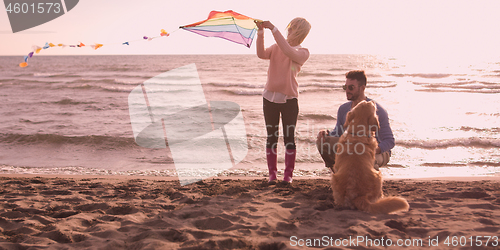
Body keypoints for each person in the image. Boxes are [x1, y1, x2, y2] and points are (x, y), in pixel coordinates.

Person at [256, 18, 311, 183]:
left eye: (293, 28)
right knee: (271, 136)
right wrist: (260, 32)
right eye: (290, 27)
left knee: (289, 137)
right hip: (269, 98)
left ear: (300, 32)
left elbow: (289, 52)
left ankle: (288, 175)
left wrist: (273, 29)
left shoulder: (303, 52)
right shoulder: (276, 47)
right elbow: (261, 54)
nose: (290, 30)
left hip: (290, 101)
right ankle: (272, 174)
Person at [316, 70, 395, 172]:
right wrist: (326, 133)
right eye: (345, 87)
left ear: (362, 88)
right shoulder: (343, 109)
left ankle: (370, 183)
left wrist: (373, 150)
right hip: (354, 148)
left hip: (378, 152)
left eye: (351, 87)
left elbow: (389, 141)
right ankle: (338, 173)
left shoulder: (376, 110)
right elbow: (338, 133)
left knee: (365, 158)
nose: (347, 90)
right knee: (323, 141)